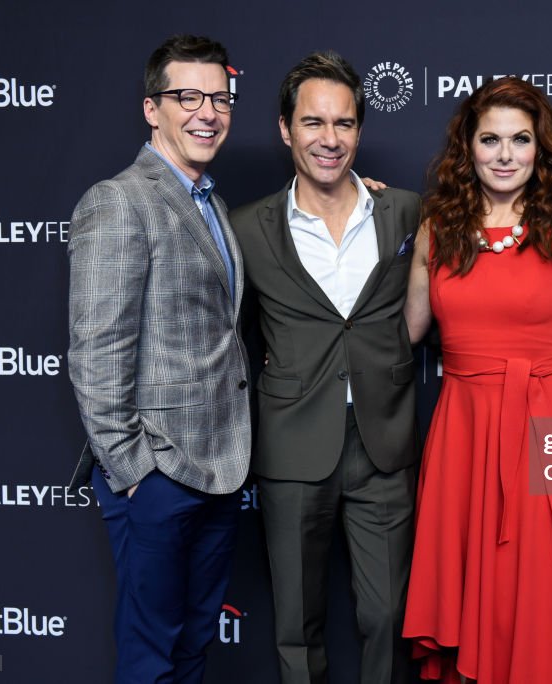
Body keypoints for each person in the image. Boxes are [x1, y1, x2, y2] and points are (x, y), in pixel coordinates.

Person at [402, 77, 552, 684]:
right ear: (466, 147)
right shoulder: (437, 228)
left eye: (520, 140)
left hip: (545, 426)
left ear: (540, 148)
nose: (504, 154)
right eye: (489, 139)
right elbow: (405, 331)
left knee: (541, 607)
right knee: (473, 603)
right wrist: (357, 212)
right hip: (463, 432)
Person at [230, 51, 420, 684]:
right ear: (286, 129)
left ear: (359, 131)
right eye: (313, 123)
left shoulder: (405, 214)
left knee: (387, 616)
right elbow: (230, 335)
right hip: (291, 445)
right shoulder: (245, 228)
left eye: (343, 124)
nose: (329, 139)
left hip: (384, 443)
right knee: (295, 622)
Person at [67, 35, 249, 683]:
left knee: (193, 646)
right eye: (188, 97)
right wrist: (136, 470)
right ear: (153, 109)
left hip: (220, 469)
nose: (207, 112)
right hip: (158, 477)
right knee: (150, 655)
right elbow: (96, 352)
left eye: (219, 98)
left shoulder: (212, 204)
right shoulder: (120, 201)